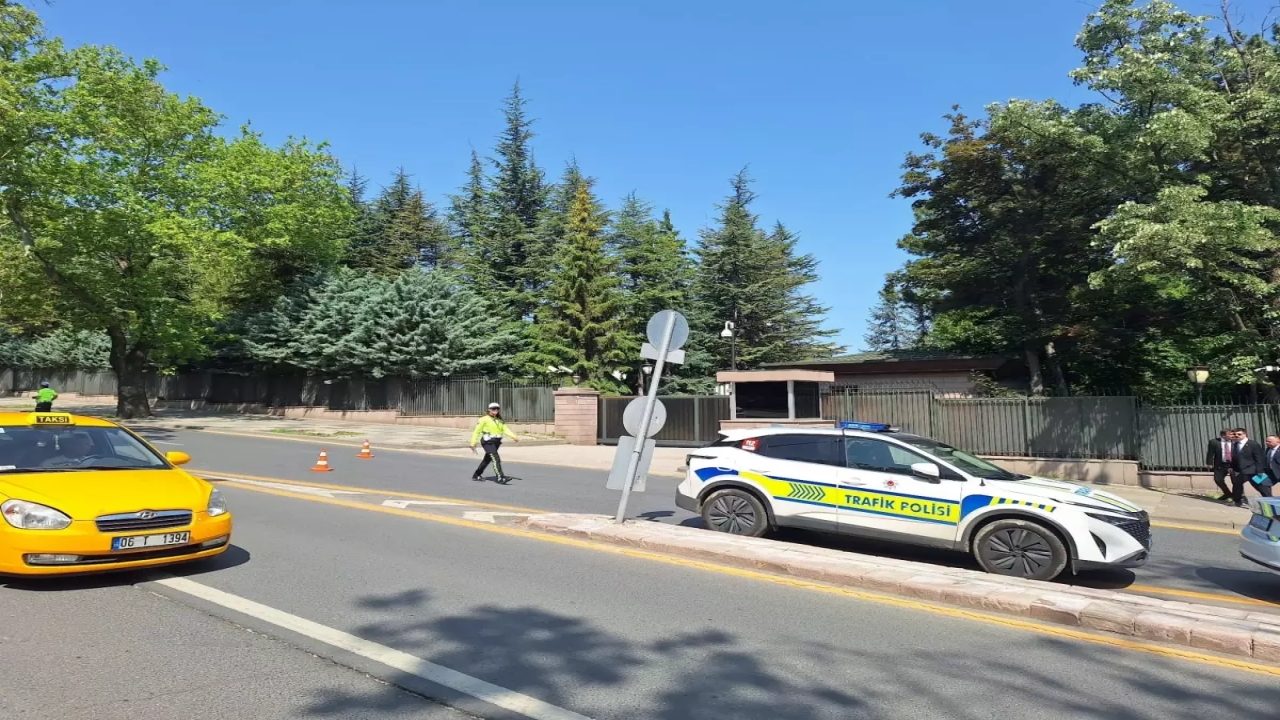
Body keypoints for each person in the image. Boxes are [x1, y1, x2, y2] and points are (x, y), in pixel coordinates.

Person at [470, 402, 519, 483]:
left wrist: (513, 436)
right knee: (496, 458)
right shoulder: (484, 419)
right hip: (487, 442)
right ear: (489, 410)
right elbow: (477, 431)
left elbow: (505, 429)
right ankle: (500, 477)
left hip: (496, 442)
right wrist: (473, 442)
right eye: (493, 409)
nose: (496, 410)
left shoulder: (499, 420)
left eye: (497, 409)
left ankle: (476, 475)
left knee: (487, 459)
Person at [1228, 428, 1267, 508]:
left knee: (1260, 486)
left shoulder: (1253, 444)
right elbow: (1235, 457)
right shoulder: (1236, 444)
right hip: (1243, 470)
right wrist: (1232, 466)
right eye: (1235, 434)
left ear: (1245, 434)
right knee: (1237, 484)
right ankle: (1237, 501)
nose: (1237, 436)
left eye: (1239, 434)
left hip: (1253, 470)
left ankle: (1270, 500)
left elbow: (1259, 458)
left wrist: (1260, 471)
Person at [1206, 429, 1234, 501]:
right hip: (1221, 464)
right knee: (1218, 479)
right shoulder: (1214, 442)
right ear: (1223, 435)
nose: (1232, 436)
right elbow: (1210, 453)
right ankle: (1227, 493)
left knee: (1236, 481)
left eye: (1232, 434)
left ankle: (1237, 496)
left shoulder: (1235, 442)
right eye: (1229, 434)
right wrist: (1209, 462)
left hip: (1233, 464)